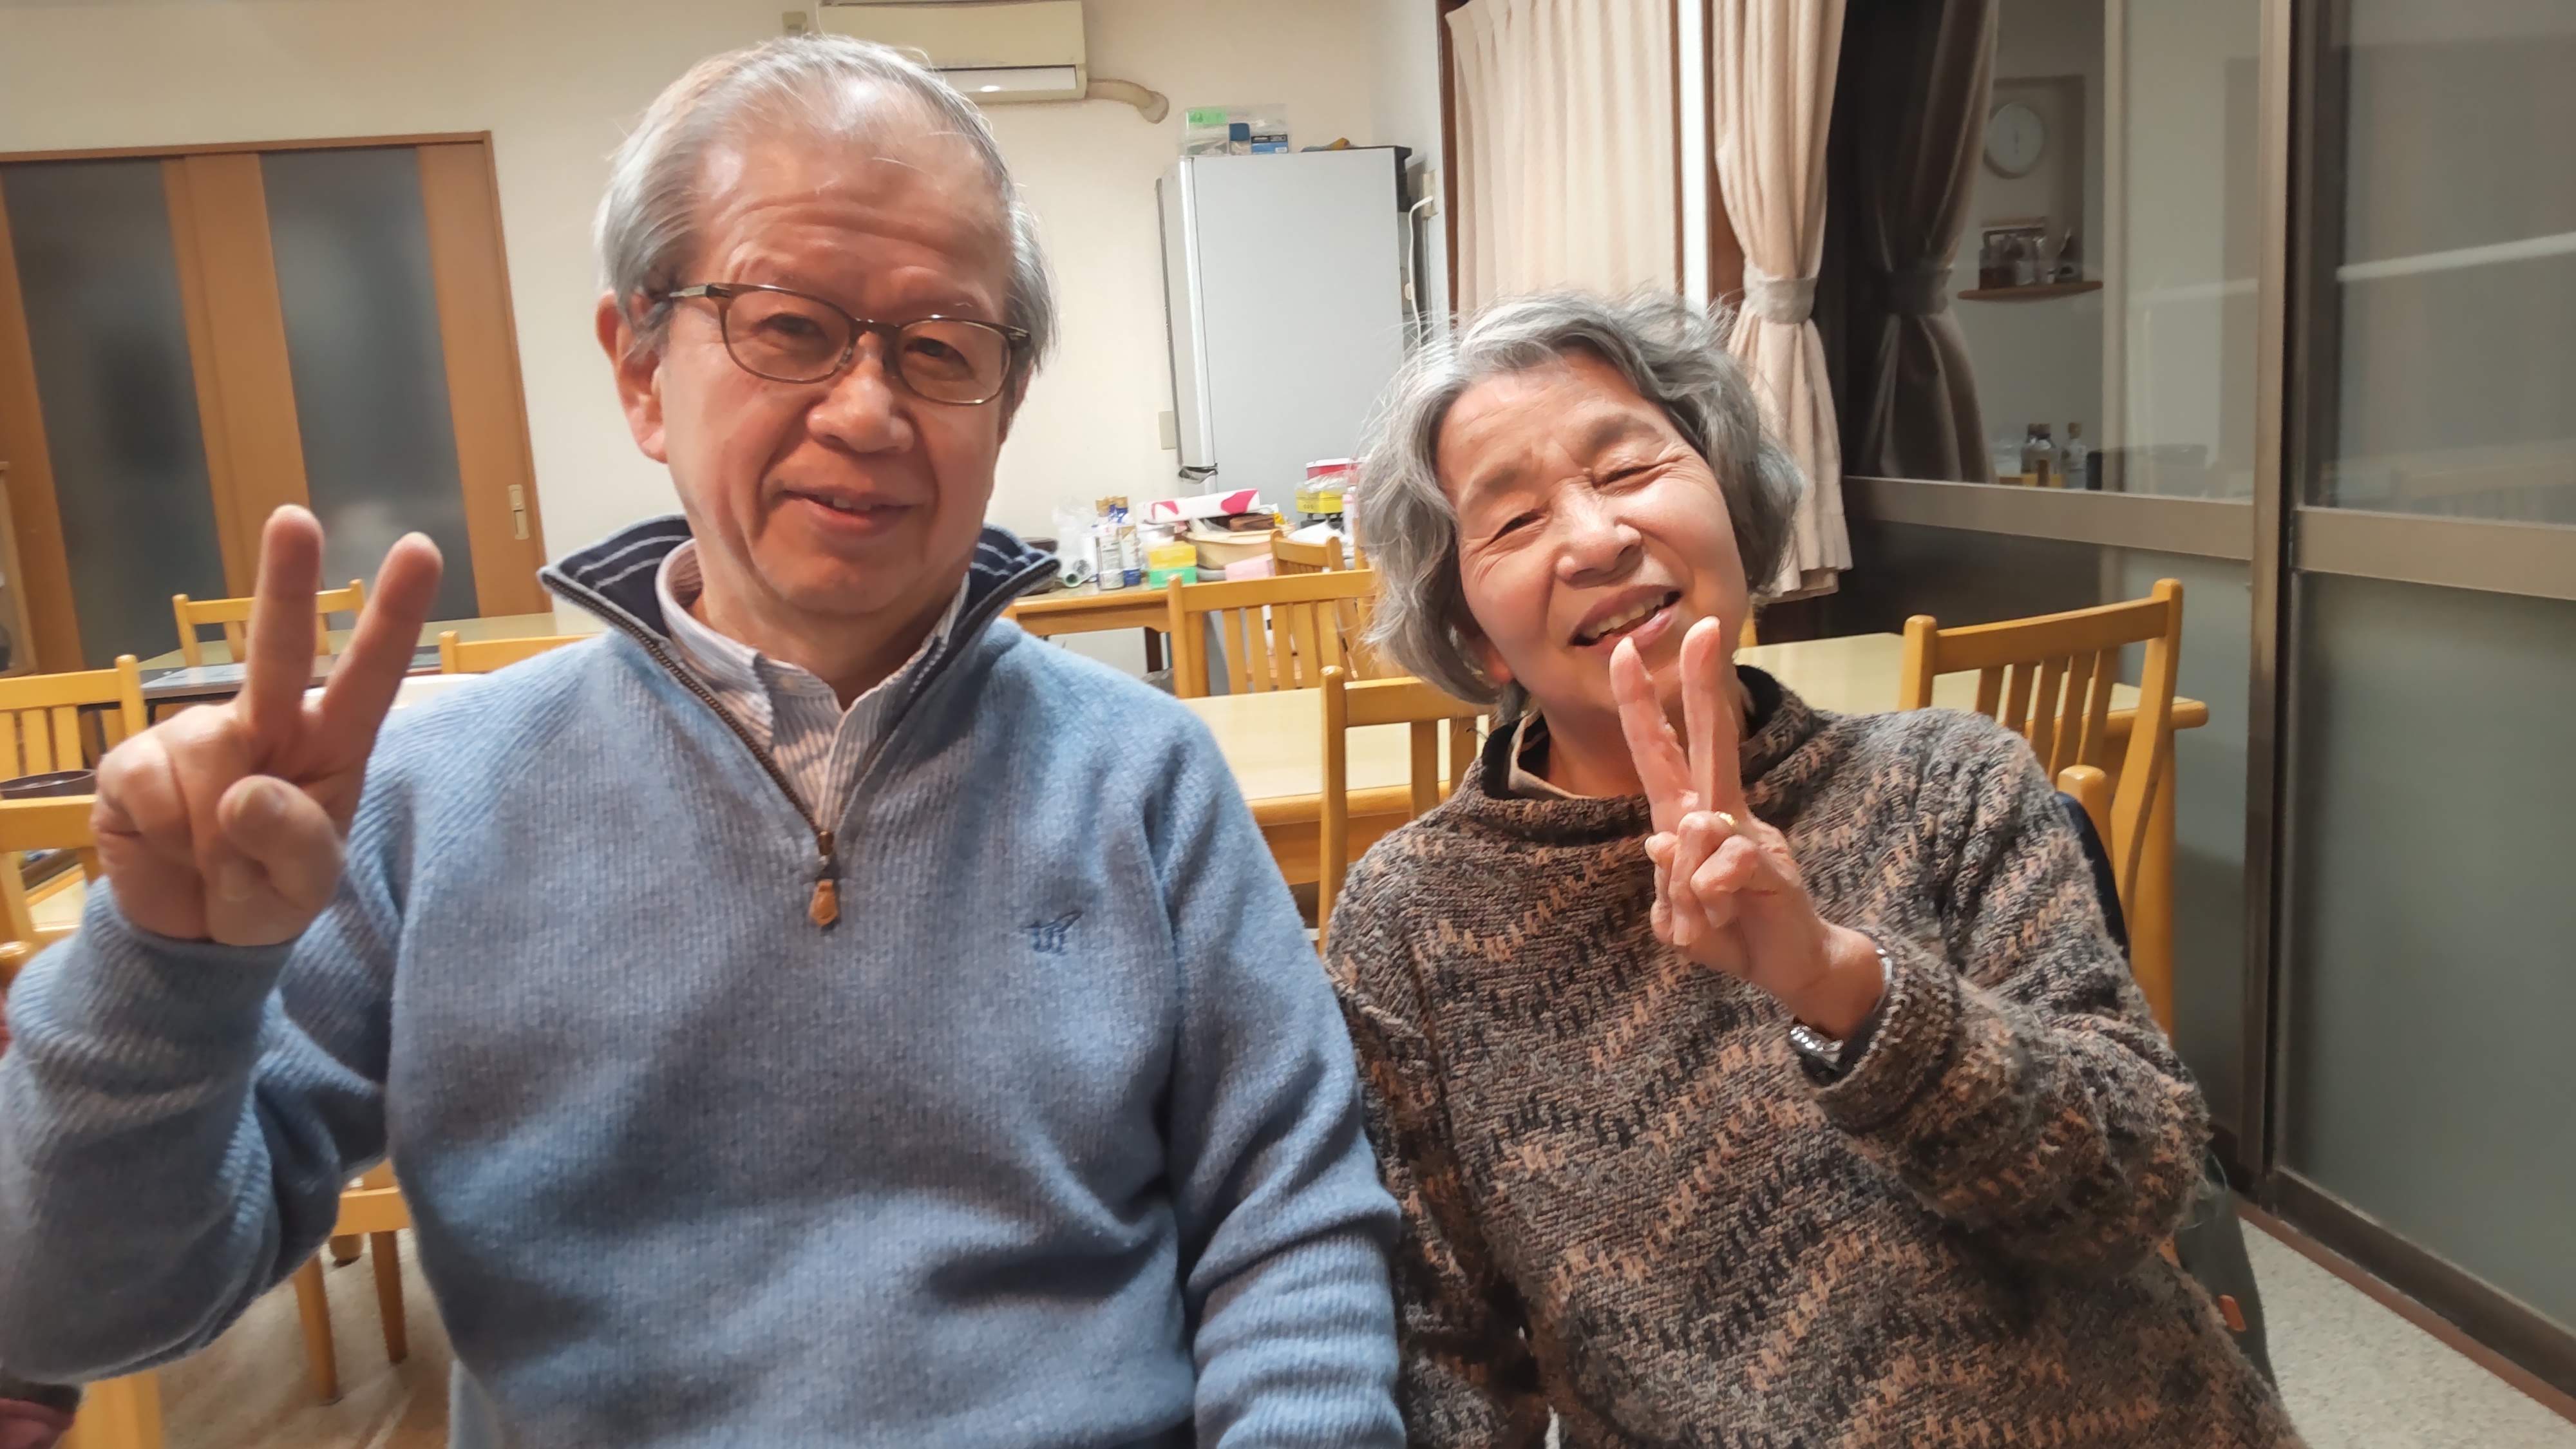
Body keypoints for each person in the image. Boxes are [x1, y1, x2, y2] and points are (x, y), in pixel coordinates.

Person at [0, 35, 1399, 1447]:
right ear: (640, 370)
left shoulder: (1143, 777)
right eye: (788, 326)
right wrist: (164, 977)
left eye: (939, 349)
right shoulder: (426, 799)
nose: (867, 408)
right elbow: (67, 1309)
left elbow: (1289, 1223)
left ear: (1005, 402)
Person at [1325, 290, 2302, 1446]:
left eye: (1629, 467)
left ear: (1731, 501)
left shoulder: (1947, 781)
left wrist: (1846, 985)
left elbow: (2139, 1187)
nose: (1596, 538)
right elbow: (1441, 1353)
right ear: (1473, 633)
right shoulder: (1415, 919)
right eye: (1515, 519)